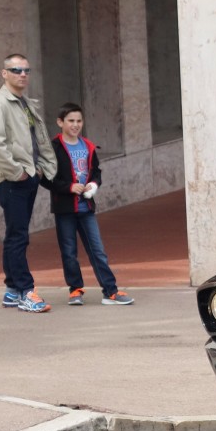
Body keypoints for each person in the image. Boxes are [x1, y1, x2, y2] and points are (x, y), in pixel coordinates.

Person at [0, 54, 57, 313]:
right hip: (12, 180)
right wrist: (17, 172)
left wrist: (39, 170)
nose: (22, 74)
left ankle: (12, 289)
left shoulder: (23, 103)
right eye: (15, 70)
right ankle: (26, 290)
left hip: (26, 177)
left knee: (16, 235)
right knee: (18, 237)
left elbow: (37, 139)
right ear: (4, 73)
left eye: (26, 70)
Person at [42, 103, 134, 306]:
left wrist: (93, 184)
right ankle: (75, 290)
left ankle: (110, 291)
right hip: (64, 209)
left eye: (79, 121)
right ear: (60, 122)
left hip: (86, 208)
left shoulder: (88, 146)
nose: (75, 125)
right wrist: (68, 187)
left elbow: (96, 172)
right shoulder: (53, 148)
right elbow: (46, 178)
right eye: (71, 121)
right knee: (69, 252)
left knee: (97, 250)